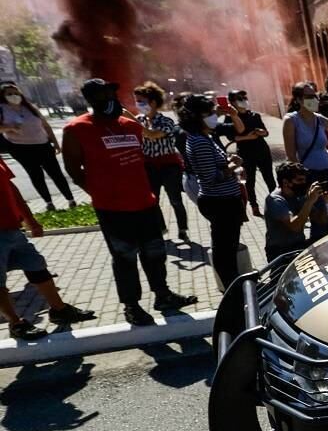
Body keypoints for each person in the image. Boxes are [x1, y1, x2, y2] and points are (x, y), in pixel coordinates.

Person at [62, 78, 196, 326]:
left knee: (155, 253)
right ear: (90, 100)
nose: (108, 99)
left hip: (145, 203)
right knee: (125, 258)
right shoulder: (77, 129)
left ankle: (163, 295)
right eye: (101, 95)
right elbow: (72, 167)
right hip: (113, 209)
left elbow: (142, 155)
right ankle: (131, 306)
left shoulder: (130, 125)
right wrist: (96, 191)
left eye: (111, 93)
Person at [0, 155, 95, 339]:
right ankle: (16, 323)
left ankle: (59, 310)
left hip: (12, 228)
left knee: (36, 265)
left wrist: (29, 219)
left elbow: (11, 188)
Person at [179, 93, 247, 289]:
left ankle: (233, 282)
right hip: (220, 202)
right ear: (196, 117)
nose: (213, 116)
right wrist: (233, 166)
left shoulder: (203, 137)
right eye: (208, 113)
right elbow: (211, 178)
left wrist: (228, 164)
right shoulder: (199, 141)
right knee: (224, 250)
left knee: (228, 246)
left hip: (225, 200)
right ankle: (231, 286)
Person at [0, 81, 77, 211]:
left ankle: (70, 199)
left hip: (43, 145)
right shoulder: (2, 109)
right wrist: (10, 127)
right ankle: (48, 202)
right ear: (3, 96)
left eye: (15, 93)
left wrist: (55, 143)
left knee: (56, 173)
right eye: (9, 94)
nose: (13, 95)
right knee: (36, 175)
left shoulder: (30, 107)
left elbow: (46, 126)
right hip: (20, 148)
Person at [132, 81, 189, 242]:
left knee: (175, 199)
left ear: (153, 102)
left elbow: (152, 135)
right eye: (137, 101)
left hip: (169, 166)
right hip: (149, 166)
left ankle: (183, 229)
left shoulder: (166, 121)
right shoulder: (139, 120)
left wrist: (132, 122)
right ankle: (161, 227)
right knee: (152, 200)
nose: (138, 104)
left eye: (142, 101)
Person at [282, 82, 328, 222]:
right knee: (319, 216)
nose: (314, 99)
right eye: (309, 96)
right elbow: (291, 155)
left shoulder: (319, 119)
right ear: (298, 99)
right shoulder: (291, 120)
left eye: (315, 96)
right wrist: (302, 178)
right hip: (310, 176)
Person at [263, 161, 328, 262]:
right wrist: (310, 201)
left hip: (298, 246)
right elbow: (295, 227)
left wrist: (325, 202)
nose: (304, 183)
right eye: (299, 180)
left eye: (304, 180)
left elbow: (321, 221)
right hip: (279, 252)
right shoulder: (275, 200)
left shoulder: (299, 195)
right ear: (286, 182)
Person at [224, 89, 276, 215]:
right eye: (240, 99)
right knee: (249, 181)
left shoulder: (254, 115)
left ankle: (276, 202)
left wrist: (261, 132)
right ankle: (254, 206)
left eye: (245, 98)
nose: (244, 101)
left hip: (262, 150)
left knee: (269, 178)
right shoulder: (230, 118)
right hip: (245, 153)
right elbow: (232, 137)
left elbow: (266, 132)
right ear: (232, 102)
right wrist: (248, 137)